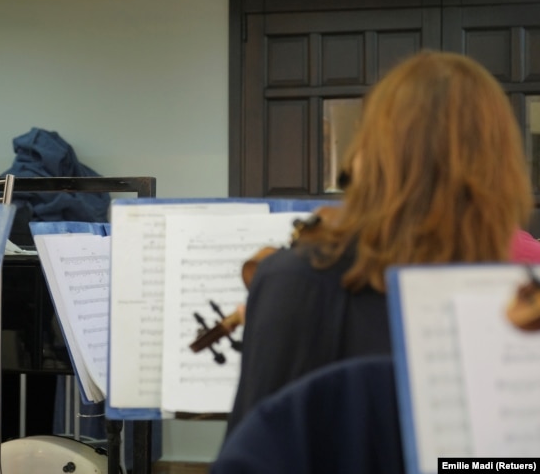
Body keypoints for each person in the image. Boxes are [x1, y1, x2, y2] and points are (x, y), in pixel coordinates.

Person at [224, 50, 534, 436]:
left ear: (372, 155)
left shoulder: (297, 281)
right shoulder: (521, 300)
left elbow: (255, 453)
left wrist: (279, 324)